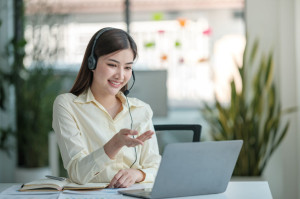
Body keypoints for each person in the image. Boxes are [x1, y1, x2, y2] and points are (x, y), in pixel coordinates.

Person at [52, 27, 161, 188]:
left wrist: (138, 174)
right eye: (112, 65)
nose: (121, 75)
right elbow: (77, 174)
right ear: (92, 63)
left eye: (128, 67)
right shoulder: (67, 105)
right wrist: (114, 145)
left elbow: (156, 166)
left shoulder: (141, 110)